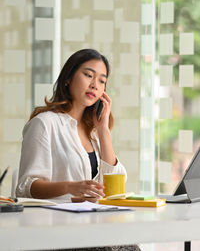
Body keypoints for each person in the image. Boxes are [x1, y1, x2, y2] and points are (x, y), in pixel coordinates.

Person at [16, 49, 141, 251]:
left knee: (128, 244)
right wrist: (71, 187)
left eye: (102, 80)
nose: (94, 84)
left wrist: (103, 132)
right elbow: (26, 186)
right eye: (88, 75)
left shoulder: (94, 132)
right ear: (68, 78)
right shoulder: (45, 124)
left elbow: (115, 186)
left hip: (92, 226)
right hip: (58, 232)